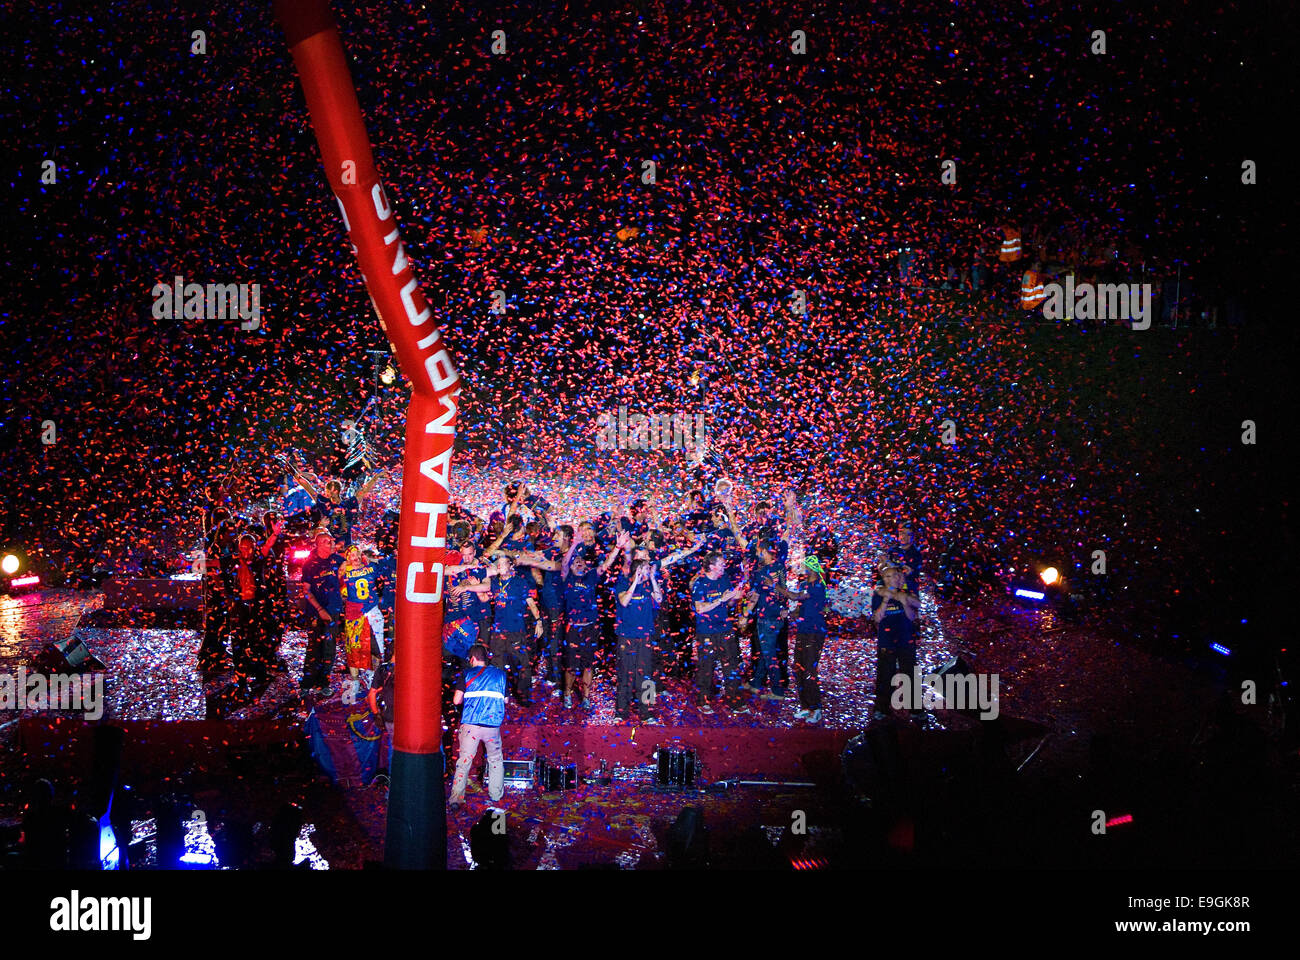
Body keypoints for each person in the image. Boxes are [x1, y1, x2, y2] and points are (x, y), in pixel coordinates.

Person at [449, 644, 508, 808]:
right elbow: (505, 700)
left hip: (471, 725)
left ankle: (456, 799)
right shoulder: (501, 675)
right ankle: (496, 796)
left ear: (473, 658)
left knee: (464, 762)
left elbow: (456, 700)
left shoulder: (467, 674)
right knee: (495, 760)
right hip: (492, 726)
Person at [691, 551, 748, 715]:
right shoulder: (700, 584)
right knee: (706, 667)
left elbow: (728, 603)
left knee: (731, 666)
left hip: (724, 629)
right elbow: (700, 608)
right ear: (712, 566)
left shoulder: (724, 580)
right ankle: (703, 701)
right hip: (706, 631)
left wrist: (735, 598)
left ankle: (735, 701)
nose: (724, 566)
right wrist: (721, 600)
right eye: (721, 563)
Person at [488, 553, 544, 706]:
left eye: (503, 563)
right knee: (497, 663)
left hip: (516, 630)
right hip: (498, 631)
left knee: (521, 664)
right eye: (498, 563)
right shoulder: (494, 582)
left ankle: (524, 696)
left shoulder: (519, 582)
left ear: (511, 566)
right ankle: (501, 694)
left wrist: (538, 621)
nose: (499, 566)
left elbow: (531, 603)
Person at [614, 556, 663, 724]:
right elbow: (624, 601)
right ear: (636, 570)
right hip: (626, 636)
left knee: (646, 675)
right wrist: (635, 581)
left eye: (648, 568)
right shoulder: (623, 583)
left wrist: (652, 579)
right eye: (645, 568)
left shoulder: (650, 585)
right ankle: (621, 711)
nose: (648, 570)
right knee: (625, 674)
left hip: (645, 637)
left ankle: (647, 712)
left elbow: (659, 600)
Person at [781, 555, 829, 723]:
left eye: (804, 566)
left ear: (812, 569)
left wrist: (776, 587)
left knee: (809, 668)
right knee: (799, 667)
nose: (801, 569)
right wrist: (790, 614)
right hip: (803, 630)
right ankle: (805, 706)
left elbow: (796, 597)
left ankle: (815, 707)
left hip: (814, 632)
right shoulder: (805, 584)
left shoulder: (818, 586)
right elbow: (800, 607)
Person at [740, 539, 787, 702]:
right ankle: (756, 683)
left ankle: (777, 690)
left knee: (769, 654)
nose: (757, 554)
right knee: (766, 651)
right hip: (771, 616)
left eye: (759, 551)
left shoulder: (769, 570)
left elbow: (759, 596)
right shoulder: (775, 568)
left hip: (768, 617)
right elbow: (763, 593)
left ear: (765, 551)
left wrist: (745, 616)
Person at [872, 564, 921, 720]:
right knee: (885, 676)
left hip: (905, 640)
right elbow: (877, 618)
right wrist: (886, 599)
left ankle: (915, 709)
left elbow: (913, 616)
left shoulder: (906, 593)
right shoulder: (879, 594)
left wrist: (904, 600)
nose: (892, 578)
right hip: (886, 642)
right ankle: (882, 708)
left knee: (910, 675)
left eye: (894, 575)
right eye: (887, 576)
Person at [299, 532, 343, 695]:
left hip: (334, 610)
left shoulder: (337, 560)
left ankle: (324, 682)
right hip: (316, 612)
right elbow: (306, 591)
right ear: (317, 545)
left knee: (329, 648)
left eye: (331, 541)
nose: (331, 544)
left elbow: (354, 564)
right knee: (314, 647)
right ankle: (307, 683)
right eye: (326, 542)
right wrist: (320, 610)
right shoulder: (310, 564)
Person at [339, 545, 384, 704]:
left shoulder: (346, 571)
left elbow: (341, 592)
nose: (356, 557)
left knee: (374, 646)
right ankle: (359, 680)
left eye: (357, 554)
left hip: (368, 612)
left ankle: (371, 678)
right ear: (347, 558)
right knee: (356, 648)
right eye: (352, 555)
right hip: (358, 614)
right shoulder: (366, 568)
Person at [560, 543, 601, 709]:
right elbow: (564, 563)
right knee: (570, 666)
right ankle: (567, 694)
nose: (579, 562)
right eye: (575, 560)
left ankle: (586, 697)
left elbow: (605, 566)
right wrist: (575, 544)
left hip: (590, 628)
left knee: (588, 665)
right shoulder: (567, 578)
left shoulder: (591, 577)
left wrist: (618, 548)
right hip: (573, 628)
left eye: (582, 560)